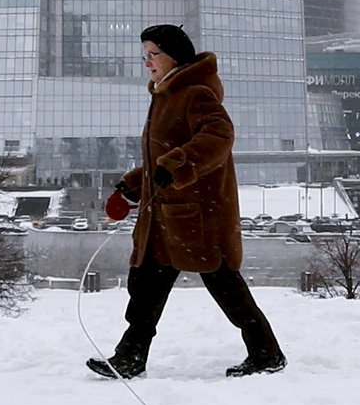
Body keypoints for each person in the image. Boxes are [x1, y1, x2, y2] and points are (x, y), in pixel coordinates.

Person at [89, 24, 287, 380]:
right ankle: (130, 357)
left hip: (196, 217)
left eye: (153, 54)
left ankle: (266, 354)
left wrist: (177, 166)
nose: (147, 62)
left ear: (173, 55)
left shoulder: (196, 93)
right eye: (145, 55)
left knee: (227, 288)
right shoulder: (165, 95)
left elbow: (219, 137)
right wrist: (134, 184)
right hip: (165, 218)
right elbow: (162, 157)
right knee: (145, 290)